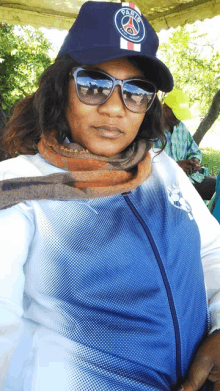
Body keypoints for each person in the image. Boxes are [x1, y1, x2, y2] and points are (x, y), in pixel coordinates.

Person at [0, 2, 220, 390]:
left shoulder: (162, 169)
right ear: (60, 89)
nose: (115, 108)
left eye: (137, 92)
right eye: (94, 85)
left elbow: (209, 253)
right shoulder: (19, 190)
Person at [154, 90, 216, 200]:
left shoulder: (181, 128)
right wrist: (175, 166)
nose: (179, 119)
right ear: (165, 109)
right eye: (177, 115)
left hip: (191, 180)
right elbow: (147, 165)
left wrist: (194, 161)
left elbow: (194, 151)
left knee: (217, 188)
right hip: (167, 186)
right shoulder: (152, 131)